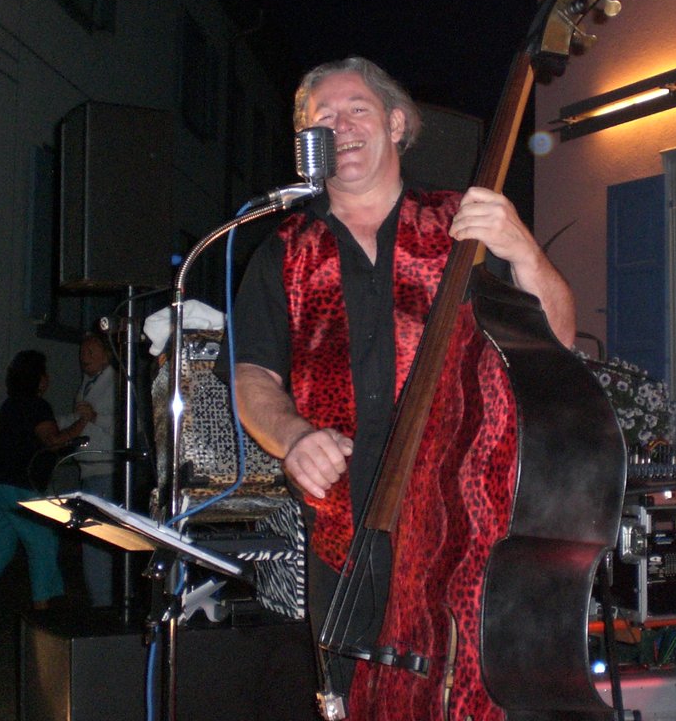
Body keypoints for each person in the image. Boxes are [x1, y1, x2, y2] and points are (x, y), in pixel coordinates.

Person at [232, 56, 577, 699]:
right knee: (351, 698)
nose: (341, 127)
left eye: (357, 109)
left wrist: (523, 249)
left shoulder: (462, 224)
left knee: (462, 694)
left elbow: (555, 341)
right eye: (323, 118)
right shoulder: (283, 247)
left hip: (462, 517)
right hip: (342, 526)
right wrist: (292, 437)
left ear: (395, 123)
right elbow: (252, 375)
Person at [0, 350, 89, 621]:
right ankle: (43, 608)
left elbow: (0, 437)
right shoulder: (37, 406)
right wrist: (82, 423)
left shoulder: (8, 405)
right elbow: (52, 441)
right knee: (43, 543)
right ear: (40, 379)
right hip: (20, 486)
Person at [71, 332, 115, 607]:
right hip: (89, 470)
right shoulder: (88, 383)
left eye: (90, 352)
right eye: (82, 353)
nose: (83, 358)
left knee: (97, 539)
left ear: (106, 355)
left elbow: (127, 424)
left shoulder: (116, 382)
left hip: (105, 470)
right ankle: (100, 600)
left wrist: (95, 417)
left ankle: (103, 602)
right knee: (91, 538)